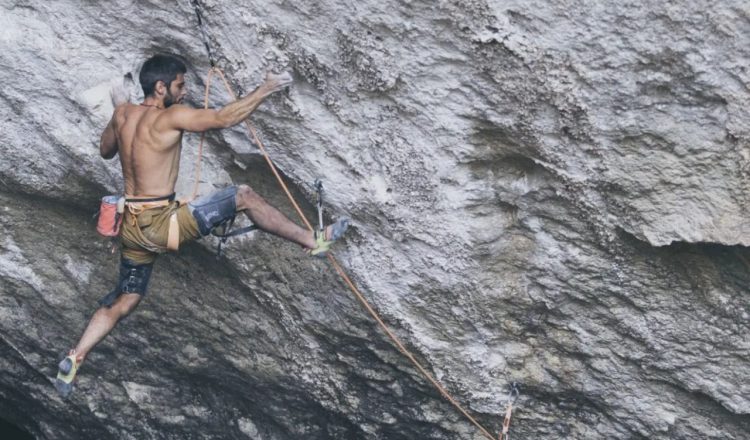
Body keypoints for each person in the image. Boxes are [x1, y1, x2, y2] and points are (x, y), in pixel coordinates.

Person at [55, 54, 348, 396]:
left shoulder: (123, 114)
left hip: (131, 230)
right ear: (160, 86)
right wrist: (267, 87)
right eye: (180, 85)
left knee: (127, 298)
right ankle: (311, 239)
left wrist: (121, 109)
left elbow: (106, 150)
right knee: (243, 196)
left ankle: (76, 356)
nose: (184, 92)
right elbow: (223, 118)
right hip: (161, 225)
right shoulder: (170, 117)